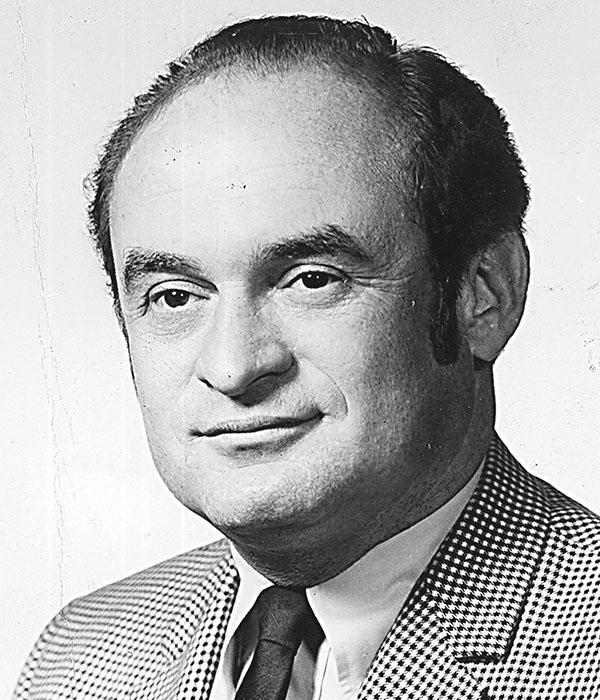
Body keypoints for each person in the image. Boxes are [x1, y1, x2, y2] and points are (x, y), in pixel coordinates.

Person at [13, 14, 600, 700]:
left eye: (312, 280)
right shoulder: (73, 654)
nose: (233, 367)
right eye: (174, 296)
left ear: (483, 297)